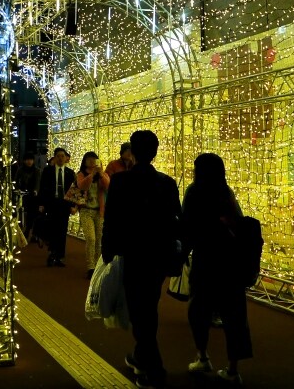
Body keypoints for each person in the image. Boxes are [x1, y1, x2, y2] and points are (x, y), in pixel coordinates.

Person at [101, 130, 182, 389]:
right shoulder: (167, 183)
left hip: (132, 253)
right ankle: (140, 357)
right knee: (148, 305)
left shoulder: (122, 182)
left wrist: (107, 250)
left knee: (140, 310)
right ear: (155, 152)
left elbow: (111, 219)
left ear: (132, 153)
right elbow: (175, 220)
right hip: (158, 254)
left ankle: (152, 368)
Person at [181, 153, 252, 384]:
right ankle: (233, 369)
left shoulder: (194, 191)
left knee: (199, 310)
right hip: (231, 262)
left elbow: (187, 227)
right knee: (234, 315)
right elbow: (240, 224)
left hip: (205, 259)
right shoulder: (226, 192)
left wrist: (180, 255)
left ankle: (202, 355)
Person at [72, 151, 109, 279]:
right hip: (86, 211)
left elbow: (108, 186)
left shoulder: (102, 174)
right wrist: (91, 175)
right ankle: (90, 267)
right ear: (85, 161)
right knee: (91, 239)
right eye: (89, 159)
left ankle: (98, 267)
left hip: (99, 211)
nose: (92, 162)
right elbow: (82, 186)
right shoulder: (81, 174)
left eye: (94, 159)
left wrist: (100, 174)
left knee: (99, 240)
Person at [38, 146, 76, 267]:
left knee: (62, 230)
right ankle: (51, 253)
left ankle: (60, 256)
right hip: (51, 203)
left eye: (62, 156)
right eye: (58, 156)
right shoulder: (48, 171)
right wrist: (42, 204)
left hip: (64, 205)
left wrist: (73, 205)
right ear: (54, 158)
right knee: (52, 229)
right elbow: (42, 187)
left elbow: (73, 190)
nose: (60, 158)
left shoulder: (70, 173)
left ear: (66, 158)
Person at [13, 152, 40, 234]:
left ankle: (28, 229)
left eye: (31, 160)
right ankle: (21, 229)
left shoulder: (36, 170)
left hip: (32, 195)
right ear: (24, 161)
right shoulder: (20, 169)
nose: (29, 162)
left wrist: (35, 190)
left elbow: (37, 182)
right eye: (27, 160)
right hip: (22, 194)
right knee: (20, 212)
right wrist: (17, 190)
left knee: (32, 213)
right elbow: (16, 181)